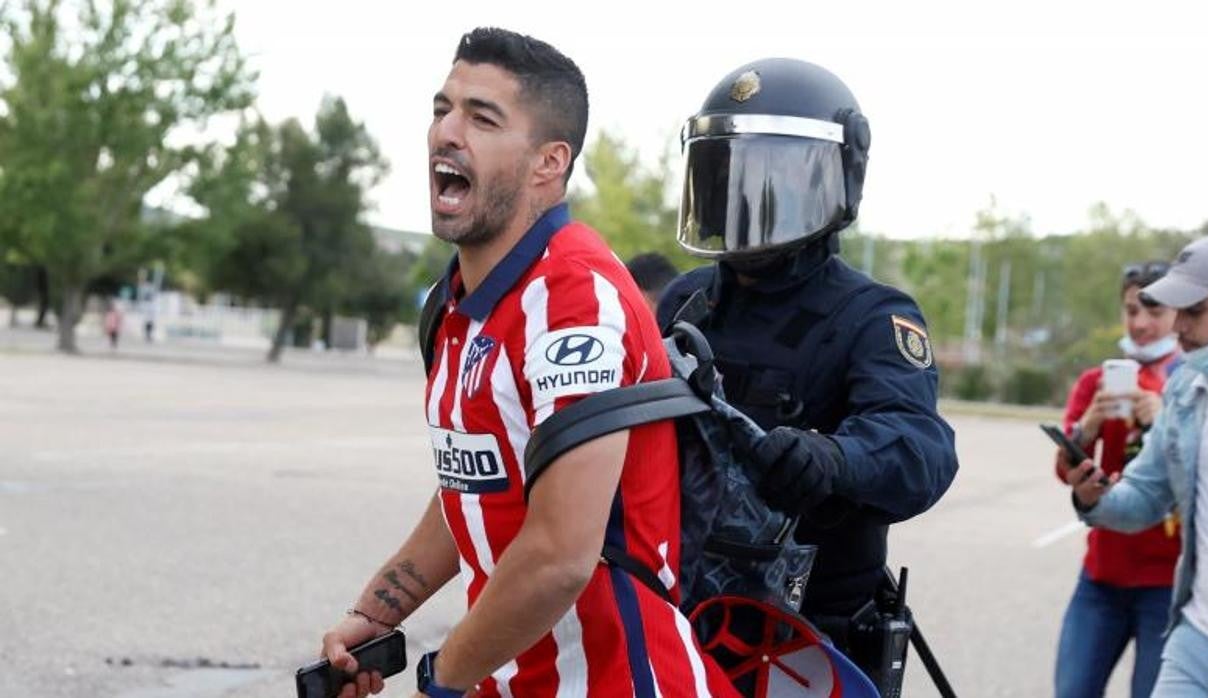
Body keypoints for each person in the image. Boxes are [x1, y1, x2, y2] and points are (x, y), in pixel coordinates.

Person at [318, 28, 733, 698]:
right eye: (441, 109)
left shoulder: (575, 298)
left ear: (548, 163)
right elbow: (477, 482)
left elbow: (559, 555)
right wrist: (377, 611)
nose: (446, 132)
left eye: (482, 118)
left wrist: (441, 679)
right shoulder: (457, 304)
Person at [657, 58, 959, 678]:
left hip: (805, 650)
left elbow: (923, 449)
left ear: (837, 181)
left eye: (771, 179)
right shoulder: (685, 303)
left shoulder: (872, 317)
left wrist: (834, 458)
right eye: (727, 174)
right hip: (679, 622)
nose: (745, 199)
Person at [1066, 233, 1208, 696]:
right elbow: (1146, 495)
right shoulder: (1185, 391)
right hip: (1195, 636)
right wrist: (1096, 498)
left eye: (1194, 311)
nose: (1178, 327)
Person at [1053, 261, 1181, 698]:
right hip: (1101, 576)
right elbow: (1064, 471)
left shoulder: (1190, 384)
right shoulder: (1097, 381)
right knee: (1072, 691)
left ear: (1178, 314)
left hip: (1167, 585)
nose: (1141, 323)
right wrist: (1086, 427)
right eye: (1131, 311)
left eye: (1155, 311)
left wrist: (1162, 418)